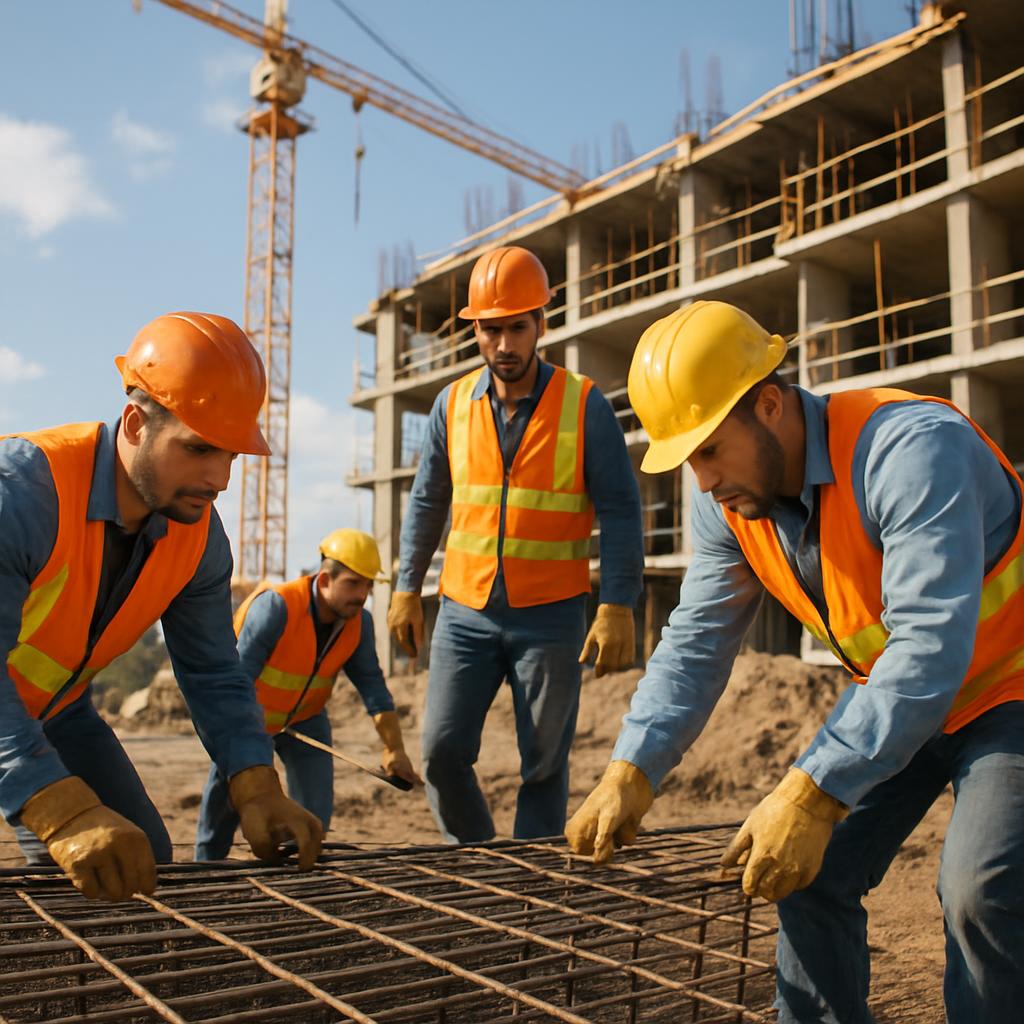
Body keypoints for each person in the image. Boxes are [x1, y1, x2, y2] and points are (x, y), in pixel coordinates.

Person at [565, 300, 1024, 1023]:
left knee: (980, 890)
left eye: (710, 450)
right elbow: (697, 640)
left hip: (1009, 691)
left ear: (771, 405)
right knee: (797, 870)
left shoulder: (910, 450)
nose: (702, 481)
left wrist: (815, 793)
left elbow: (930, 645)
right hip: (896, 699)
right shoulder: (731, 507)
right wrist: (633, 766)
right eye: (687, 461)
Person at [0, 312, 323, 902]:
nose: (220, 478)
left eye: (231, 454)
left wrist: (255, 785)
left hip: (57, 710)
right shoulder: (23, 494)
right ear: (134, 423)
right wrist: (58, 808)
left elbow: (214, 673)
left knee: (134, 864)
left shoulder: (197, 535)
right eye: (199, 448)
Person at [386, 245, 644, 844]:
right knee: (441, 754)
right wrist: (405, 587)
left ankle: (530, 885)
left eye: (516, 328)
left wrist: (617, 603)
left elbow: (621, 510)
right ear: (475, 329)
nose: (504, 345)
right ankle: (478, 857)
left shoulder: (585, 405)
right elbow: (427, 502)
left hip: (551, 616)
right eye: (491, 329)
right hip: (464, 611)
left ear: (541, 325)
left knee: (545, 765)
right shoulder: (450, 406)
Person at [195, 528, 422, 859]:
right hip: (250, 721)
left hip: (305, 721)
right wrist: (241, 743)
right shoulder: (277, 607)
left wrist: (394, 748)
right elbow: (237, 682)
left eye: (369, 586)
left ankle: (298, 878)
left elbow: (373, 687)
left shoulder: (359, 623)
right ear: (326, 580)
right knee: (226, 801)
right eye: (354, 583)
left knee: (314, 815)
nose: (362, 595)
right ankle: (205, 868)